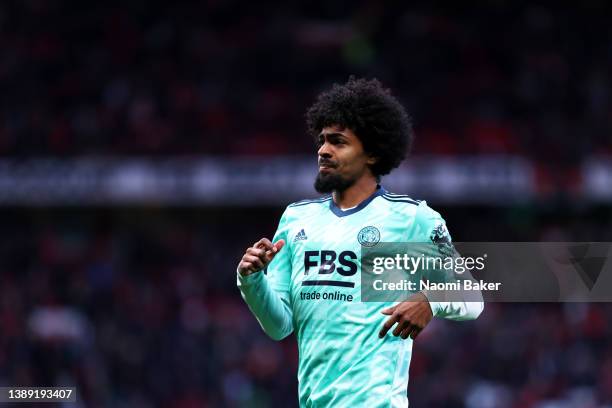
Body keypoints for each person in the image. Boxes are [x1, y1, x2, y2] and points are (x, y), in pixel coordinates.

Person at [237, 77, 483, 407]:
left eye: (338, 142)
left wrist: (429, 301)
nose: (323, 150)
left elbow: (471, 296)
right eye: (322, 141)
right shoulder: (296, 219)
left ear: (371, 153)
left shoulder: (412, 219)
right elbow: (280, 325)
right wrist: (251, 280)